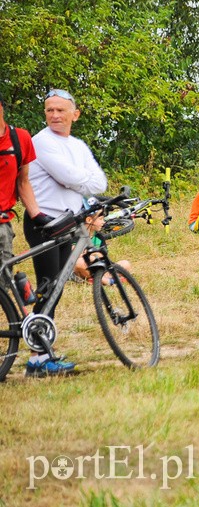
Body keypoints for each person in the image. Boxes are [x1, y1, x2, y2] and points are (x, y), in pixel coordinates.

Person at [25, 89, 108, 377]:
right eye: (50, 110)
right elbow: (69, 177)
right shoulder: (41, 142)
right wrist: (77, 181)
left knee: (56, 291)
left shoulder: (77, 145)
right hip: (44, 223)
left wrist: (76, 182)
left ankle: (41, 354)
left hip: (67, 223)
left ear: (75, 114)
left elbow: (99, 182)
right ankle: (37, 359)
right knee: (48, 288)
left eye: (61, 110)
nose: (55, 115)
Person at [0, 91, 51, 282]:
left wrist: (37, 215)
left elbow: (23, 181)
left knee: (4, 283)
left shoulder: (20, 138)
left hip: (2, 225)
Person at [73, 210, 130, 284]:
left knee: (126, 264)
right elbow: (73, 256)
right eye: (101, 219)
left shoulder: (99, 237)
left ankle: (97, 279)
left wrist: (89, 255)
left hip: (100, 268)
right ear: (89, 220)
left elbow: (102, 256)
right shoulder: (75, 236)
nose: (103, 222)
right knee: (80, 262)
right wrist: (92, 256)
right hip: (81, 268)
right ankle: (108, 281)